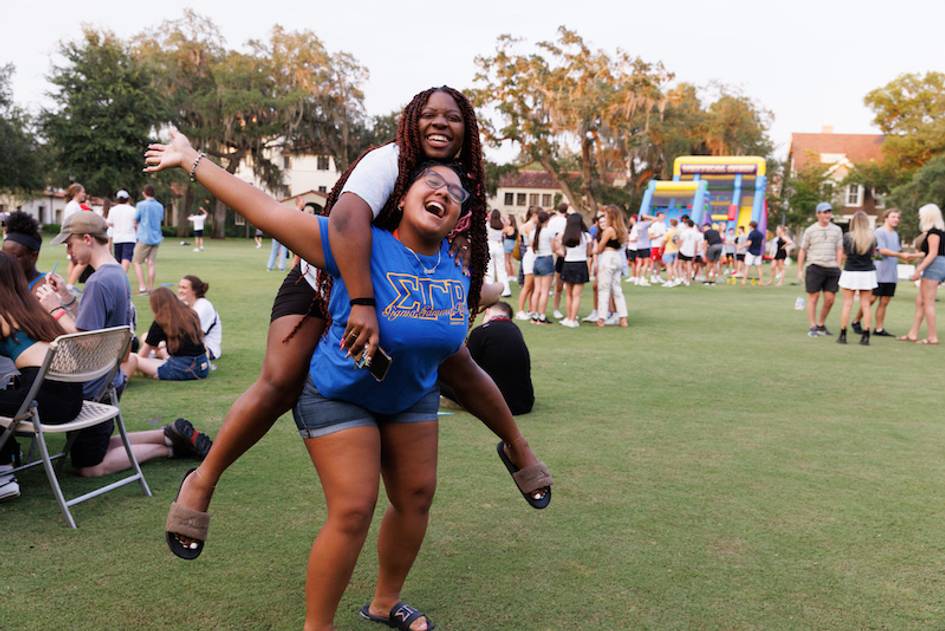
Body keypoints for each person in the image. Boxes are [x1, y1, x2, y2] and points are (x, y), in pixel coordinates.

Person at [147, 130, 551, 630]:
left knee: (417, 499)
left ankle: (384, 604)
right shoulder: (353, 244)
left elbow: (462, 356)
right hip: (339, 396)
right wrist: (192, 160)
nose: (444, 193)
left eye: (455, 193)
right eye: (433, 184)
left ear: (459, 217)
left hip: (410, 398)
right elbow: (263, 209)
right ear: (401, 197)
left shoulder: (458, 274)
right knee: (354, 508)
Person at [33, 213, 213, 477]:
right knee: (95, 448)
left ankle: (169, 448)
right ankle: (168, 434)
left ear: (87, 239)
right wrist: (65, 296)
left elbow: (87, 340)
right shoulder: (115, 272)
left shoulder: (97, 281)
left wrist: (55, 309)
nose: (68, 251)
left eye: (69, 244)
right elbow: (95, 322)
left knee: (90, 466)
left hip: (92, 385)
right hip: (108, 380)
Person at [0, 251, 83, 500]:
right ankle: (8, 458)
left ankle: (3, 474)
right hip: (71, 398)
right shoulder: (32, 309)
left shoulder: (3, 316)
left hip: (42, 401)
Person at [440, 302, 533, 414]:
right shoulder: (515, 330)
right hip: (525, 403)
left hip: (495, 405)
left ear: (487, 311)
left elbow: (463, 370)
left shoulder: (480, 332)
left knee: (436, 376)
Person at [852, 209, 912, 337]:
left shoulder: (896, 234)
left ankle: (879, 329)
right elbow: (883, 250)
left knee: (885, 301)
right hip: (879, 273)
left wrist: (905, 258)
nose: (896, 219)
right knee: (872, 299)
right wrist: (900, 254)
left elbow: (897, 252)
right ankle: (856, 321)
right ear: (886, 218)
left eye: (898, 217)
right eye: (893, 217)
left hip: (891, 274)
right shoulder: (879, 232)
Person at [134, 288, 210, 380]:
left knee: (133, 358)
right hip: (203, 367)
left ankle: (166, 373)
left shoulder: (160, 321)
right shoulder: (190, 313)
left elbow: (143, 355)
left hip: (182, 368)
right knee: (159, 353)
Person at [900, 203, 945, 345]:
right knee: (920, 301)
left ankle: (932, 337)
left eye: (921, 214)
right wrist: (912, 257)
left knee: (928, 303)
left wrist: (919, 270)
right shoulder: (937, 232)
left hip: (935, 265)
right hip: (938, 263)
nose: (919, 216)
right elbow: (929, 252)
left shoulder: (934, 232)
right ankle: (912, 334)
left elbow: (933, 254)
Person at [797, 202, 843, 337]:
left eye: (829, 212)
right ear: (818, 214)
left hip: (832, 268)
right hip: (814, 266)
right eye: (824, 212)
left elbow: (839, 249)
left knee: (830, 299)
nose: (827, 214)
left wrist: (838, 265)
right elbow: (803, 250)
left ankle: (821, 324)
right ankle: (812, 326)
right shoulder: (810, 230)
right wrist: (800, 269)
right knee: (814, 297)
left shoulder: (837, 230)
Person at [836, 211, 877, 345]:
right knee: (866, 305)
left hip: (850, 272)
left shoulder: (847, 236)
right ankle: (866, 336)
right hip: (867, 273)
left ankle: (843, 334)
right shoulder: (872, 237)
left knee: (847, 304)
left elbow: (844, 254)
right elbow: (873, 254)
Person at [554, 213, 591, 328]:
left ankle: (569, 318)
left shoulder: (564, 236)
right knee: (577, 295)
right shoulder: (586, 236)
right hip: (580, 264)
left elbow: (561, 251)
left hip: (568, 264)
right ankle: (573, 319)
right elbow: (589, 253)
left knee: (568, 294)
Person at [595, 205, 628, 328]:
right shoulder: (622, 229)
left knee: (604, 288)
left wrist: (595, 251)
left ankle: (601, 318)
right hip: (617, 257)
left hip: (608, 256)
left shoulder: (609, 230)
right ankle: (623, 317)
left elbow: (601, 245)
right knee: (617, 289)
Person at [2, 211, 48, 294]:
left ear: (33, 256)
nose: (6, 261)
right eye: (4, 255)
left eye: (14, 256)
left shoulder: (43, 289)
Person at [177, 275, 222, 360]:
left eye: (184, 288)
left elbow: (193, 336)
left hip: (206, 349)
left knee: (159, 346)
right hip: (187, 344)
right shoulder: (185, 304)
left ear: (194, 291)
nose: (180, 291)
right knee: (146, 337)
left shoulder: (203, 306)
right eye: (179, 287)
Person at [133, 184, 164, 294]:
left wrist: (135, 230)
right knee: (151, 263)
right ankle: (150, 288)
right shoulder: (160, 206)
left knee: (137, 262)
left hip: (144, 237)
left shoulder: (141, 205)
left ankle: (142, 287)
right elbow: (160, 219)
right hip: (156, 237)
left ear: (144, 193)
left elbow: (135, 220)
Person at [529, 210, 554, 324]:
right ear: (547, 220)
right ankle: (542, 316)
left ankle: (534, 315)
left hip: (537, 260)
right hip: (546, 259)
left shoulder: (533, 231)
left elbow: (531, 246)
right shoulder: (548, 231)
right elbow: (554, 247)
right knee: (544, 291)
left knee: (537, 290)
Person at [515, 207, 538, 320]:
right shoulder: (530, 226)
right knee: (528, 285)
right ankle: (520, 310)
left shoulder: (525, 225)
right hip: (530, 254)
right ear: (534, 215)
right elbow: (530, 242)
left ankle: (531, 309)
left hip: (530, 254)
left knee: (532, 285)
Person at [107, 190, 137, 272]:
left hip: (117, 238)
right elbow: (136, 224)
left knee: (119, 259)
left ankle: (119, 275)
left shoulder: (113, 210)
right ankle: (123, 276)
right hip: (130, 237)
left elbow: (109, 223)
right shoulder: (133, 210)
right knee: (126, 258)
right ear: (128, 199)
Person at [548, 202, 569, 318]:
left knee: (559, 285)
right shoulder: (565, 221)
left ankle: (558, 309)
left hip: (557, 251)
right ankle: (559, 309)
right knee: (561, 286)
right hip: (561, 252)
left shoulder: (553, 221)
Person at [485, 209, 511, 297]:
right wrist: (502, 217)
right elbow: (508, 222)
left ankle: (489, 289)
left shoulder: (488, 224)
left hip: (490, 245)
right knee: (501, 269)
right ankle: (505, 291)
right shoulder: (501, 225)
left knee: (489, 269)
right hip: (499, 246)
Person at [741, 221, 765, 286]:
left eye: (749, 226)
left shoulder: (751, 233)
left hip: (751, 252)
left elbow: (749, 243)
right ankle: (761, 281)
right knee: (759, 268)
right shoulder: (760, 234)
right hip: (758, 252)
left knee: (747, 267)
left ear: (751, 226)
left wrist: (741, 246)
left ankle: (744, 281)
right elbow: (762, 243)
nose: (749, 227)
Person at [648, 212, 667, 284]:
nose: (663, 217)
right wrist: (659, 235)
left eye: (663, 216)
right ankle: (652, 276)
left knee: (659, 261)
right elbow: (650, 237)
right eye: (661, 216)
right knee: (653, 261)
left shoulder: (664, 225)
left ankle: (658, 276)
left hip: (662, 245)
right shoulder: (654, 225)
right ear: (658, 217)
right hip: (655, 245)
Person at [661, 218, 680, 287]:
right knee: (674, 267)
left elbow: (664, 241)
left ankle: (669, 281)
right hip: (676, 251)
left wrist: (660, 248)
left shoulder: (668, 232)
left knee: (669, 267)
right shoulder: (678, 232)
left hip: (669, 250)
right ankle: (676, 279)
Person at [502, 213, 518, 281]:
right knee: (511, 261)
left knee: (506, 261)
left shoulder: (508, 228)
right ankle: (513, 276)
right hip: (513, 244)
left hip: (507, 244)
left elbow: (500, 231)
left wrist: (504, 224)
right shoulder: (515, 228)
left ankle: (508, 275)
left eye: (507, 219)